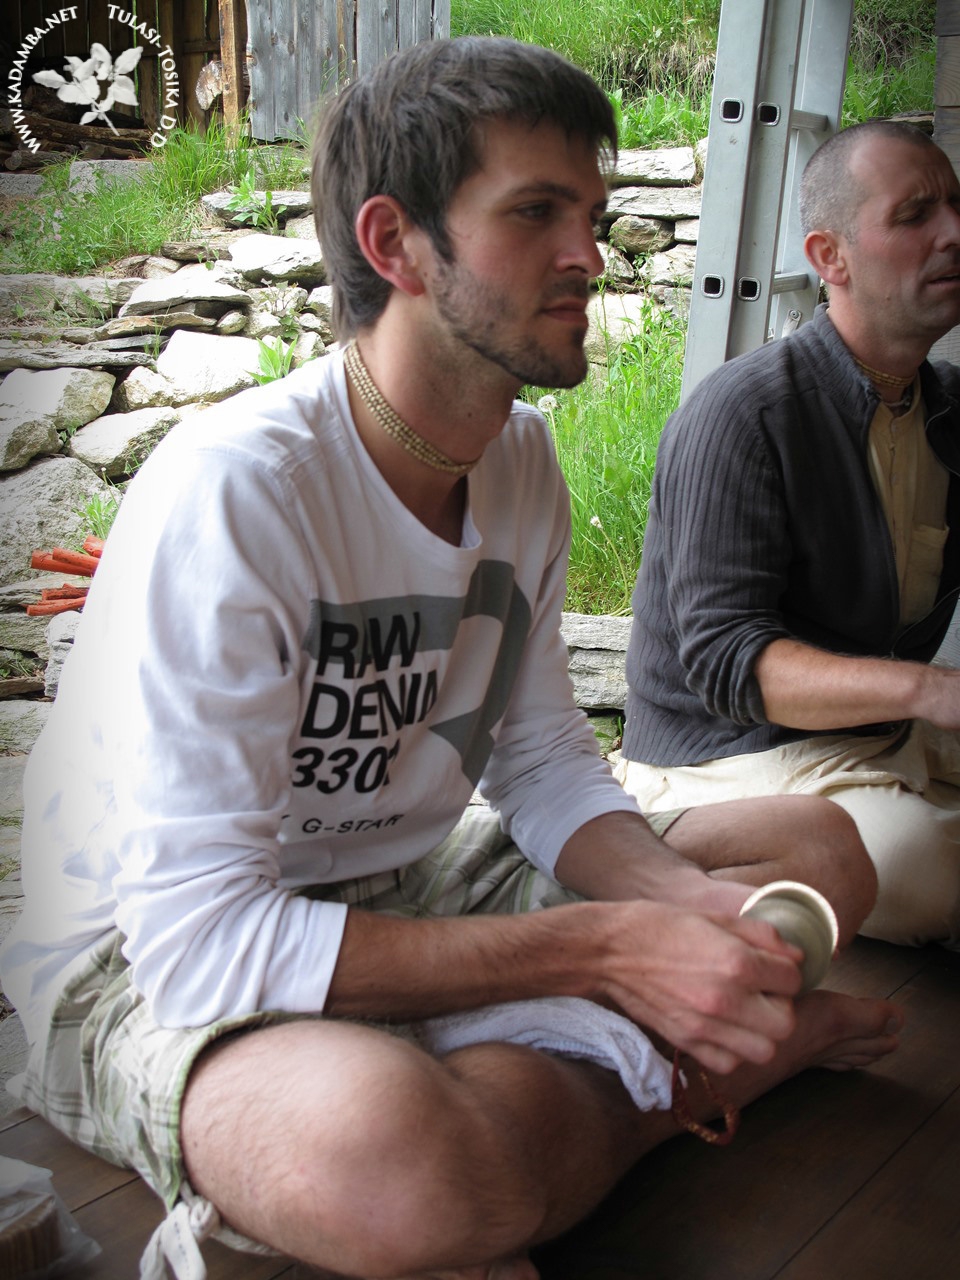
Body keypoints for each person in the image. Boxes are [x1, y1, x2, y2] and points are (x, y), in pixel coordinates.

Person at [1, 40, 898, 1280]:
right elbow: (202, 940)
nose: (588, 254)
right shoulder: (243, 490)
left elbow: (541, 759)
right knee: (400, 1157)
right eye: (536, 213)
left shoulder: (518, 460)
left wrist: (670, 902)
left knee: (820, 853)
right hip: (138, 956)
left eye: (591, 214)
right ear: (396, 243)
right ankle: (692, 1074)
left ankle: (501, 1126)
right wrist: (608, 949)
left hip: (403, 876)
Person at [617, 119, 960, 951]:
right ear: (829, 257)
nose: (953, 232)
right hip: (722, 758)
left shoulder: (948, 408)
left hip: (878, 744)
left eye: (957, 205)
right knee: (927, 872)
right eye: (915, 214)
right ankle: (650, 860)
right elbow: (726, 661)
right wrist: (928, 691)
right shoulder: (744, 412)